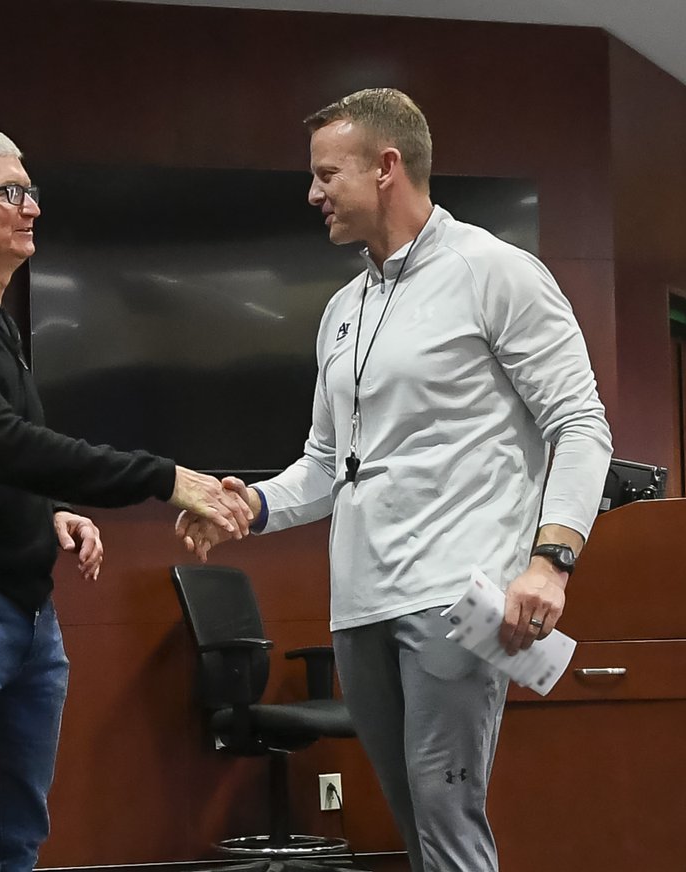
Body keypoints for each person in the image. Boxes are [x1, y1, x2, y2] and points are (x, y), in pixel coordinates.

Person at [176, 89, 612, 872]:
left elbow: (580, 424)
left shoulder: (496, 272)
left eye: (325, 174)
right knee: (414, 826)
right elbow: (324, 462)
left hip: (455, 595)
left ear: (387, 167)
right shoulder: (344, 307)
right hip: (361, 601)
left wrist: (552, 560)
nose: (312, 194)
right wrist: (251, 503)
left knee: (447, 819)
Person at [0, 127, 251, 872]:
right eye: (10, 192)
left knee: (13, 839)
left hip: (24, 615)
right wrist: (165, 478)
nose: (31, 207)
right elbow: (7, 443)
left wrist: (47, 512)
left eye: (31, 191)